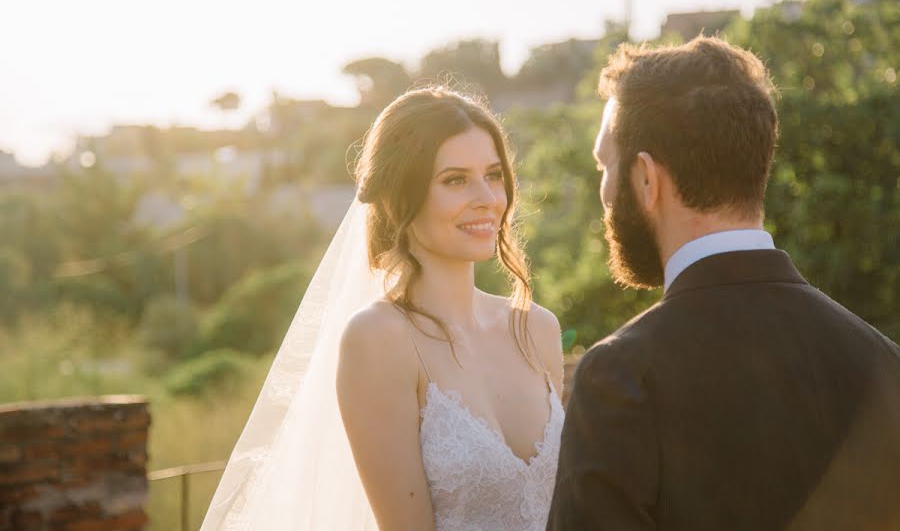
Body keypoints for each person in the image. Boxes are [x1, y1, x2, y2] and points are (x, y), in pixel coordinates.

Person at [547, 37, 900, 530]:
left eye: (606, 166)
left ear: (647, 180)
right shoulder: (885, 365)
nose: (604, 190)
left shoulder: (621, 377)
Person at [201, 87, 564, 531]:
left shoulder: (537, 330)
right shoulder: (378, 340)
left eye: (493, 174)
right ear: (398, 195)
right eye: (455, 179)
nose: (487, 197)